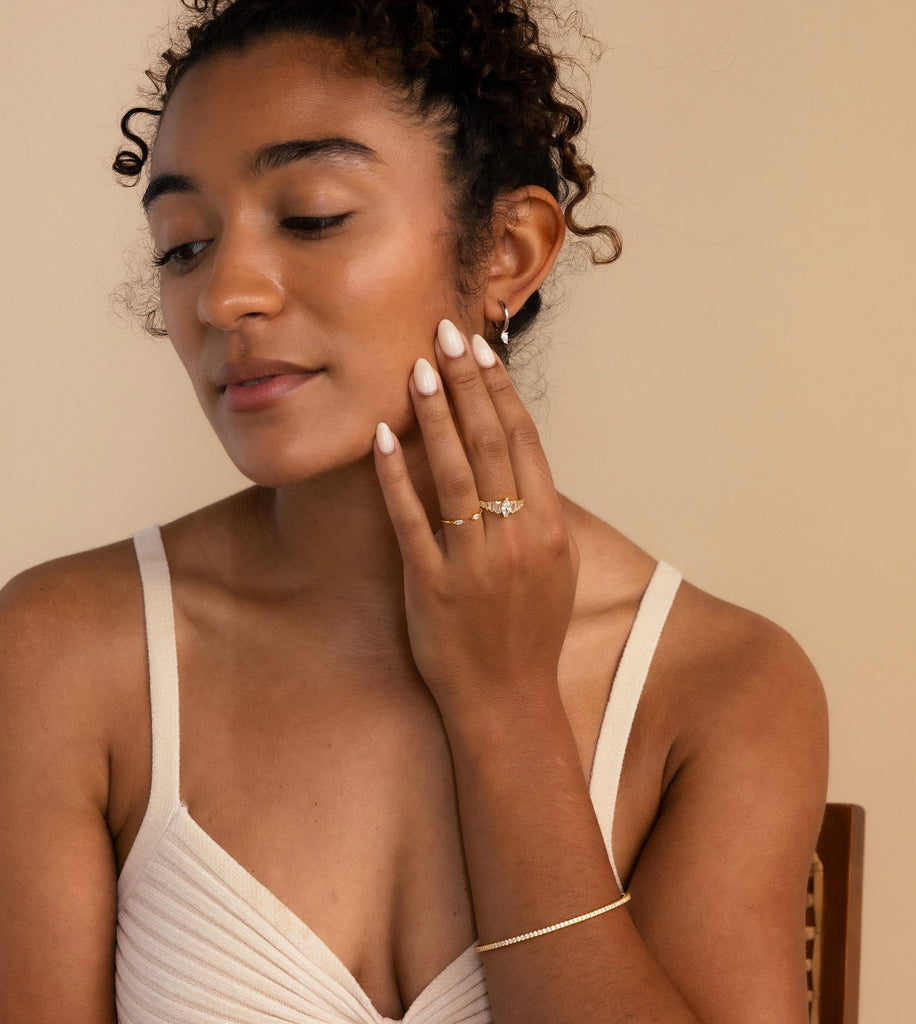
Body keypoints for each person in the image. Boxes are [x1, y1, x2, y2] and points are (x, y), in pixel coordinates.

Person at [0, 1, 828, 1021]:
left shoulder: (723, 689)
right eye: (182, 246)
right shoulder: (63, 654)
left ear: (509, 253)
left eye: (309, 216)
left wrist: (507, 704)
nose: (224, 297)